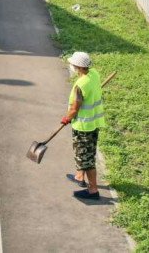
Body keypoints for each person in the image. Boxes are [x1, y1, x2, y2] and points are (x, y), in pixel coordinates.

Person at [61, 51, 107, 200]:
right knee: (85, 154)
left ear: (79, 66)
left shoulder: (80, 85)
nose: (72, 66)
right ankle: (80, 177)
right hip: (93, 124)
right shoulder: (94, 74)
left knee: (86, 160)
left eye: (73, 64)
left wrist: (66, 119)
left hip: (83, 127)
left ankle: (93, 191)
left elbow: (75, 108)